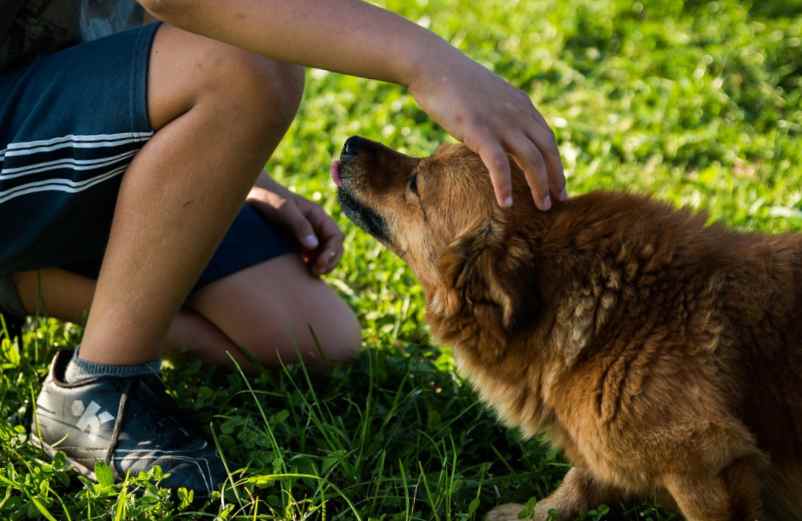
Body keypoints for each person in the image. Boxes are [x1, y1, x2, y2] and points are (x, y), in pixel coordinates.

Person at [0, 0, 566, 495]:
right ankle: (98, 386)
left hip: (70, 115)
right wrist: (430, 63)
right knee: (251, 66)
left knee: (311, 337)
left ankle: (20, 284)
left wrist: (225, 161)